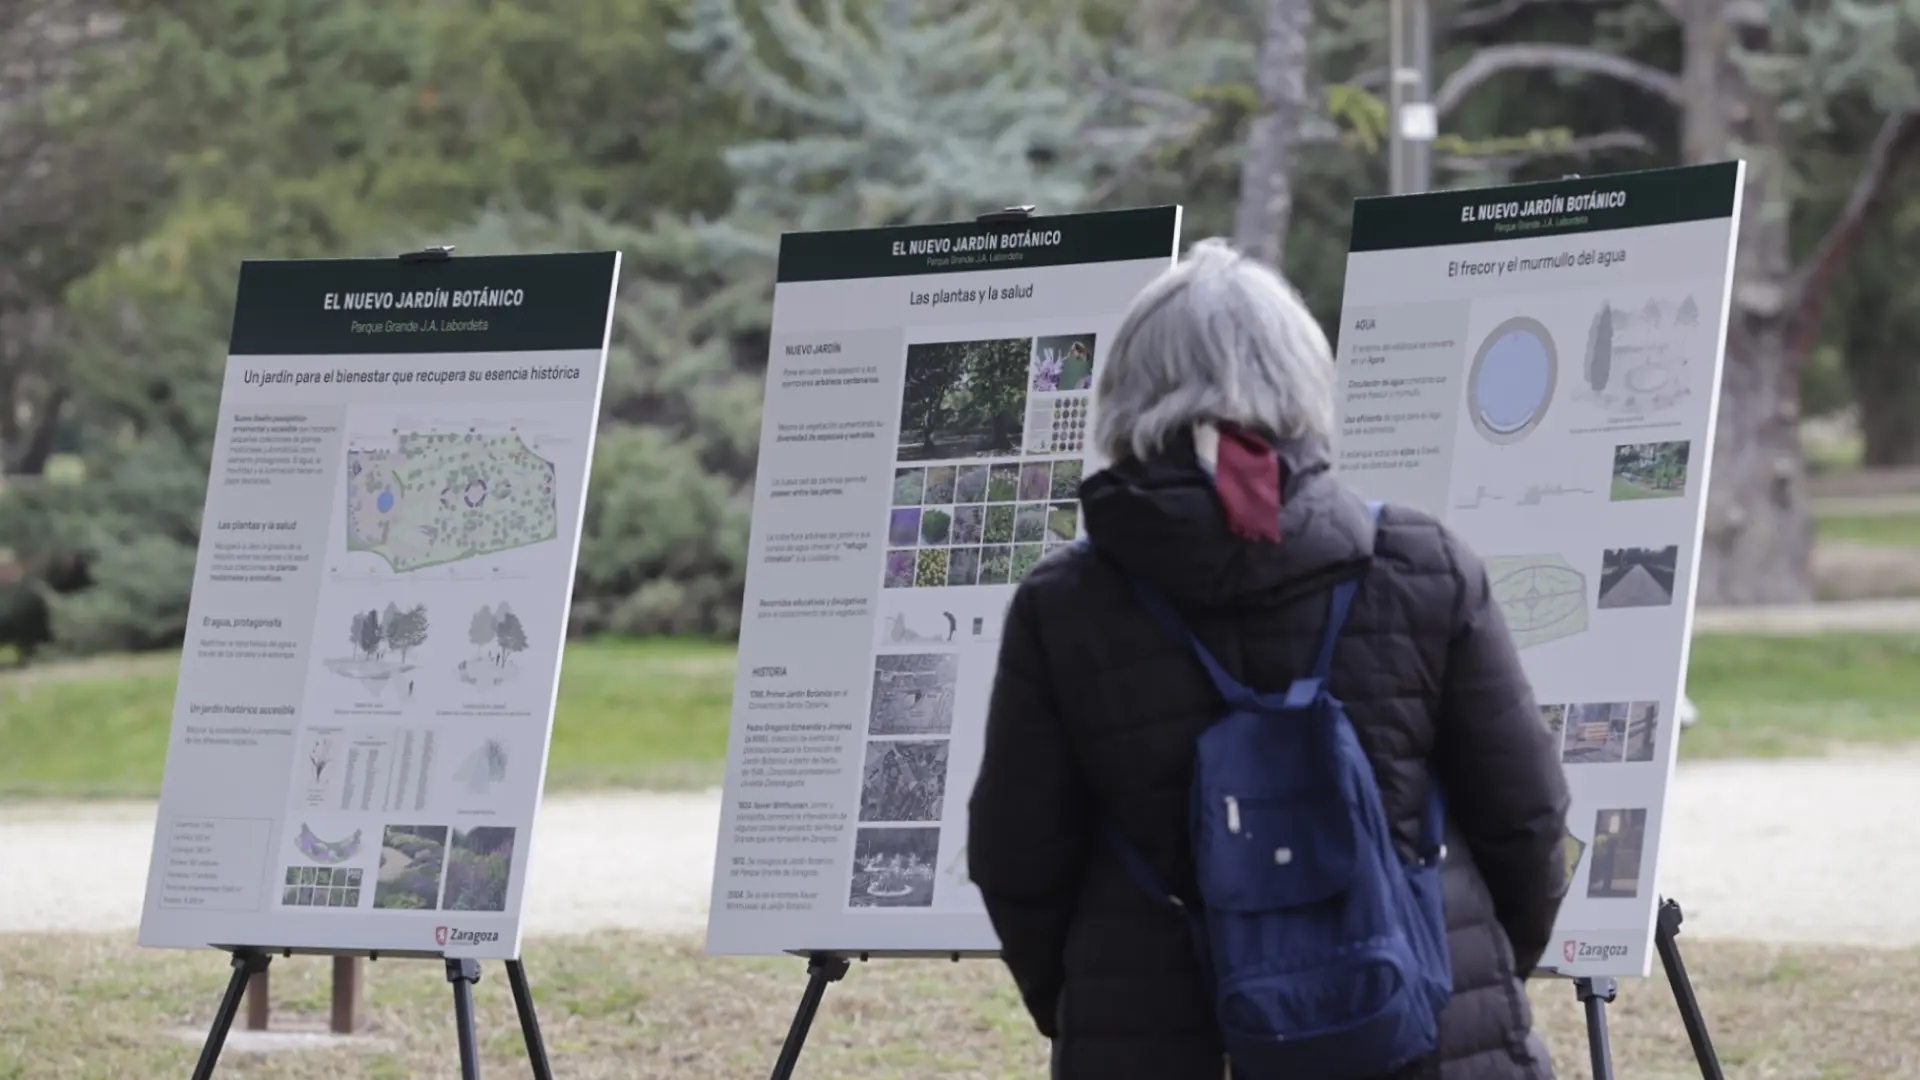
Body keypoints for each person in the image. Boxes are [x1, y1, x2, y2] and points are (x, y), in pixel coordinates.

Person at [967, 238, 1573, 1080]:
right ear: (1301, 378)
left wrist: (1083, 1001)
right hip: (1422, 1032)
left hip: (1160, 1036)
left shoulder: (1065, 604)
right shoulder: (1420, 562)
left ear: (1126, 392)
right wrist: (1472, 963)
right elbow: (1528, 815)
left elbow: (1015, 854)